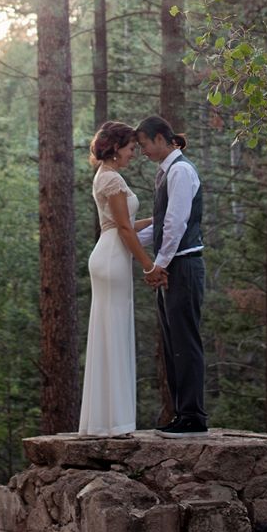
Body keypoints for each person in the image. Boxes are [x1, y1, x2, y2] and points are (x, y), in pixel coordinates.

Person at [78, 120, 159, 435]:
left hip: (111, 254)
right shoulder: (111, 180)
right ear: (114, 149)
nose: (133, 154)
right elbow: (124, 228)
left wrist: (160, 217)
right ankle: (113, 421)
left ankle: (109, 418)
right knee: (113, 331)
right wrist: (148, 265)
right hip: (112, 257)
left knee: (112, 331)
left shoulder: (108, 176)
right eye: (129, 148)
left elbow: (126, 224)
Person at [136, 115, 207, 434]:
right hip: (174, 264)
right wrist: (125, 240)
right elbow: (162, 222)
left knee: (185, 340)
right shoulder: (166, 173)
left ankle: (193, 416)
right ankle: (182, 413)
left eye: (145, 144)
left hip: (184, 265)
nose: (143, 150)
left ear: (162, 139)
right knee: (172, 342)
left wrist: (158, 265)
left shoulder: (180, 171)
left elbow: (176, 224)